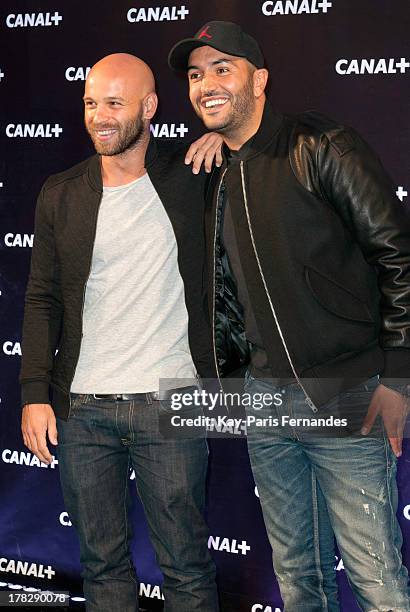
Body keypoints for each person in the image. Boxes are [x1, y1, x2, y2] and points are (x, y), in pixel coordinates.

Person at [169, 21, 410, 611]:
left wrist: (399, 375)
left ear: (261, 79)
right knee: (298, 577)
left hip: (345, 392)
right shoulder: (211, 169)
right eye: (197, 75)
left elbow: (397, 259)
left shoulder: (323, 145)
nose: (206, 85)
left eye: (222, 69)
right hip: (262, 399)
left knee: (376, 579)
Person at [20, 53, 222, 612]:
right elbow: (41, 299)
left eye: (114, 103)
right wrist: (35, 393)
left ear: (150, 107)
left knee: (186, 567)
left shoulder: (193, 173)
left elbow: (257, 148)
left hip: (170, 404)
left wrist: (222, 143)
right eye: (90, 103)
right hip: (83, 409)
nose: (99, 116)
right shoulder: (60, 194)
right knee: (102, 568)